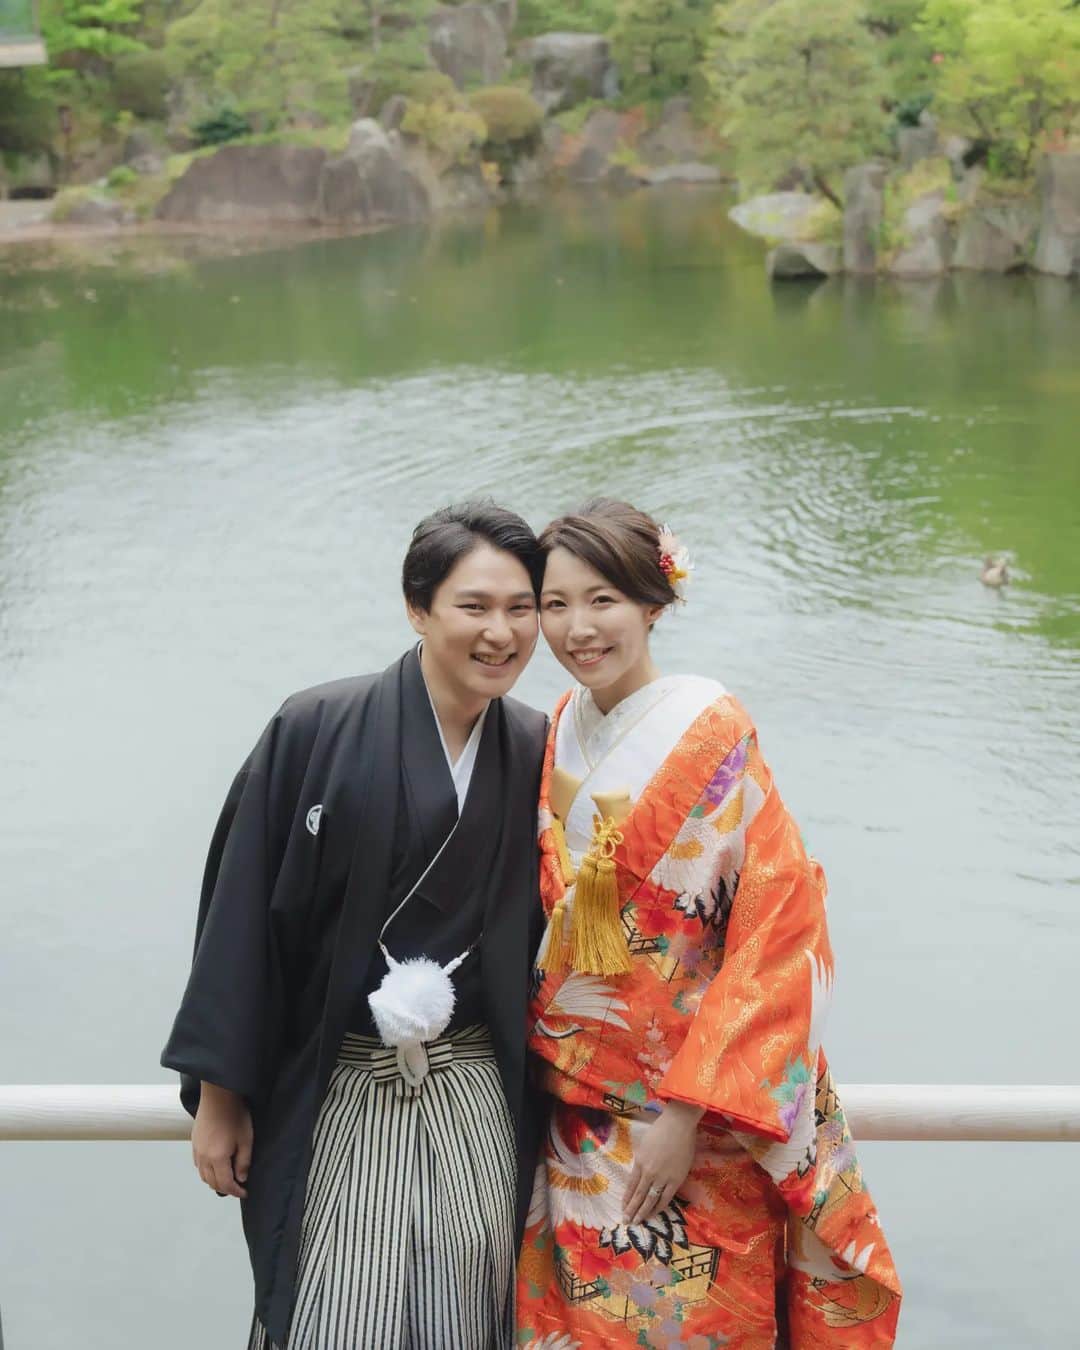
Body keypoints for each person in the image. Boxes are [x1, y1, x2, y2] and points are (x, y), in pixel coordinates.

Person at [162, 501, 549, 1349]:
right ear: (417, 608)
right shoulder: (315, 728)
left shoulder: (537, 749)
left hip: (474, 1088)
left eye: (521, 609)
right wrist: (220, 1097)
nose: (501, 633)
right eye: (474, 606)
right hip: (338, 1081)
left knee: (468, 1303)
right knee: (335, 1308)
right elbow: (240, 912)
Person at [516, 499, 902, 1349]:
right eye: (555, 604)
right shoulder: (555, 729)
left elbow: (780, 928)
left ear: (655, 601)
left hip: (691, 1120)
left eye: (604, 600)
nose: (578, 628)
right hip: (575, 1115)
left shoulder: (714, 731)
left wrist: (686, 1115)